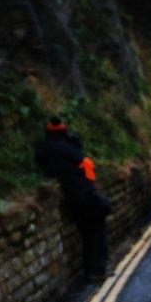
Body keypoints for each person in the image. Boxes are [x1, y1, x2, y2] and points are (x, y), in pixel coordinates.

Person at [34, 117, 111, 280]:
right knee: (97, 232)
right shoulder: (68, 148)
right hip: (84, 193)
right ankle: (97, 270)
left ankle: (89, 270)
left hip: (71, 197)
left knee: (85, 234)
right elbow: (88, 166)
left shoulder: (43, 149)